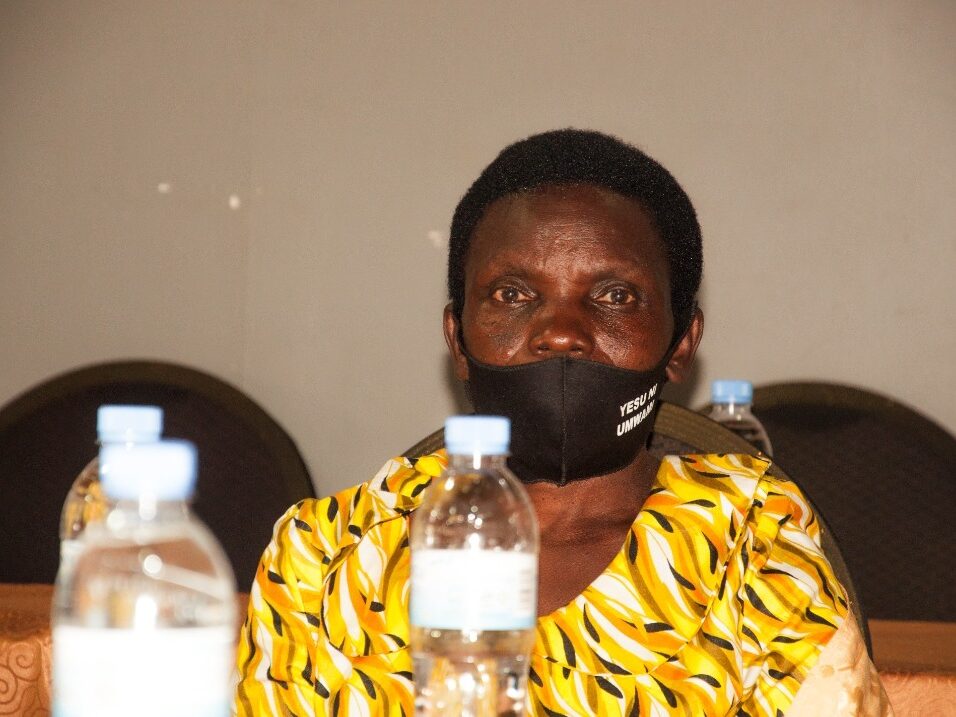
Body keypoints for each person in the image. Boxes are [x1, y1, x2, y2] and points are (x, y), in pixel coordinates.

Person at [234, 129, 890, 716]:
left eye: (614, 295)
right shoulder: (328, 559)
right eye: (513, 294)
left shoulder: (749, 540)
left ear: (681, 343)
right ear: (457, 338)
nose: (562, 334)